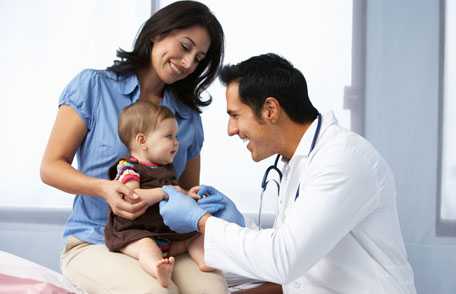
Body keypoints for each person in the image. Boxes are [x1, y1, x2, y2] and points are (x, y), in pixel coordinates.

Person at [159, 53, 418, 294]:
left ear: (270, 110)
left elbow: (283, 259)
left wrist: (201, 221)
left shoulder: (343, 159)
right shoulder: (295, 161)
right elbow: (292, 255)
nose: (231, 129)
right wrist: (235, 224)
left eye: (236, 116)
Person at [40, 1, 228, 293]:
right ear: (157, 33)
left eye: (199, 58)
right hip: (96, 240)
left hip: (166, 243)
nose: (189, 63)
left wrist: (201, 203)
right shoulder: (93, 87)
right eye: (185, 46)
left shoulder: (189, 118)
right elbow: (51, 167)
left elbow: (185, 194)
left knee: (214, 291)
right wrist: (102, 189)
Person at [104, 101, 214, 288]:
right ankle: (157, 269)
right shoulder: (128, 167)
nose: (176, 142)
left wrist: (187, 194)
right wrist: (165, 192)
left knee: (196, 235)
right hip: (134, 232)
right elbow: (133, 195)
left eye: (176, 136)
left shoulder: (165, 168)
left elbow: (174, 194)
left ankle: (203, 260)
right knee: (147, 247)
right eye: (169, 136)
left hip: (165, 233)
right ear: (142, 141)